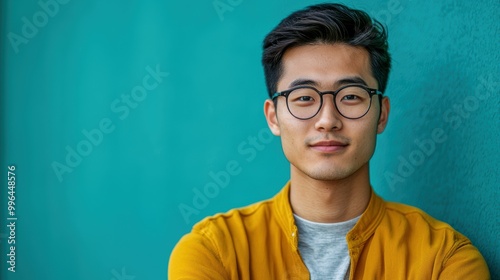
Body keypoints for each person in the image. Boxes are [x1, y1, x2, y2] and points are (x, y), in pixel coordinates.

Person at [168, 3, 490, 279]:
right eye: (304, 97)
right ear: (273, 117)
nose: (327, 120)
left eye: (351, 96)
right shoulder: (214, 251)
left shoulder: (445, 259)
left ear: (381, 114)